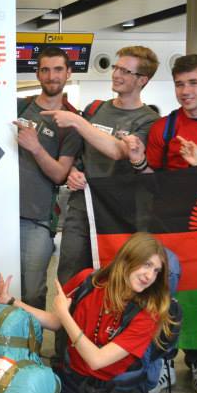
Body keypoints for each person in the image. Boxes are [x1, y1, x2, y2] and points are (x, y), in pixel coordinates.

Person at [0, 232, 174, 393]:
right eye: (147, 264)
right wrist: (11, 301)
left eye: (157, 271)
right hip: (75, 384)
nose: (150, 275)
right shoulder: (88, 281)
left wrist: (65, 315)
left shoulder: (148, 312)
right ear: (128, 258)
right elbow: (56, 321)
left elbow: (96, 359)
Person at [124, 53, 197, 393]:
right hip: (171, 227)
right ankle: (163, 361)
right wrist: (140, 160)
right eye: (180, 84)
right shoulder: (164, 128)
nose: (185, 91)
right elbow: (151, 182)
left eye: (193, 83)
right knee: (165, 295)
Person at [43, 45, 161, 285]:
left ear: (142, 80)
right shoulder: (95, 109)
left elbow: (119, 151)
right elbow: (78, 152)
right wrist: (73, 172)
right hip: (81, 205)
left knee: (112, 277)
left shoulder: (149, 120)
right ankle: (67, 323)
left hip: (119, 213)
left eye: (126, 71)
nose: (116, 74)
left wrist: (77, 121)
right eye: (116, 68)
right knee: (70, 275)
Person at [14, 47, 82, 308]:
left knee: (32, 293)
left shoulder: (71, 121)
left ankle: (32, 348)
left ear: (68, 73)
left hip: (37, 220)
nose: (51, 76)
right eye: (45, 70)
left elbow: (59, 174)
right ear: (38, 73)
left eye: (57, 70)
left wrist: (35, 146)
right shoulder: (20, 106)